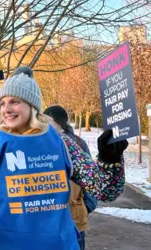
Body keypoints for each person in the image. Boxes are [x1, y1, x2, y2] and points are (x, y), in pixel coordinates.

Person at [0, 66, 127, 250]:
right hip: (7, 244)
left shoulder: (61, 143)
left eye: (14, 101)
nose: (6, 109)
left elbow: (105, 191)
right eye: (2, 103)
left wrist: (110, 160)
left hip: (58, 244)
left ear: (32, 105)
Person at [44, 105, 98, 250]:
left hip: (73, 219)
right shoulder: (41, 143)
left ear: (59, 124)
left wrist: (85, 207)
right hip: (48, 219)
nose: (43, 125)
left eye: (47, 121)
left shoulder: (78, 144)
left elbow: (92, 180)